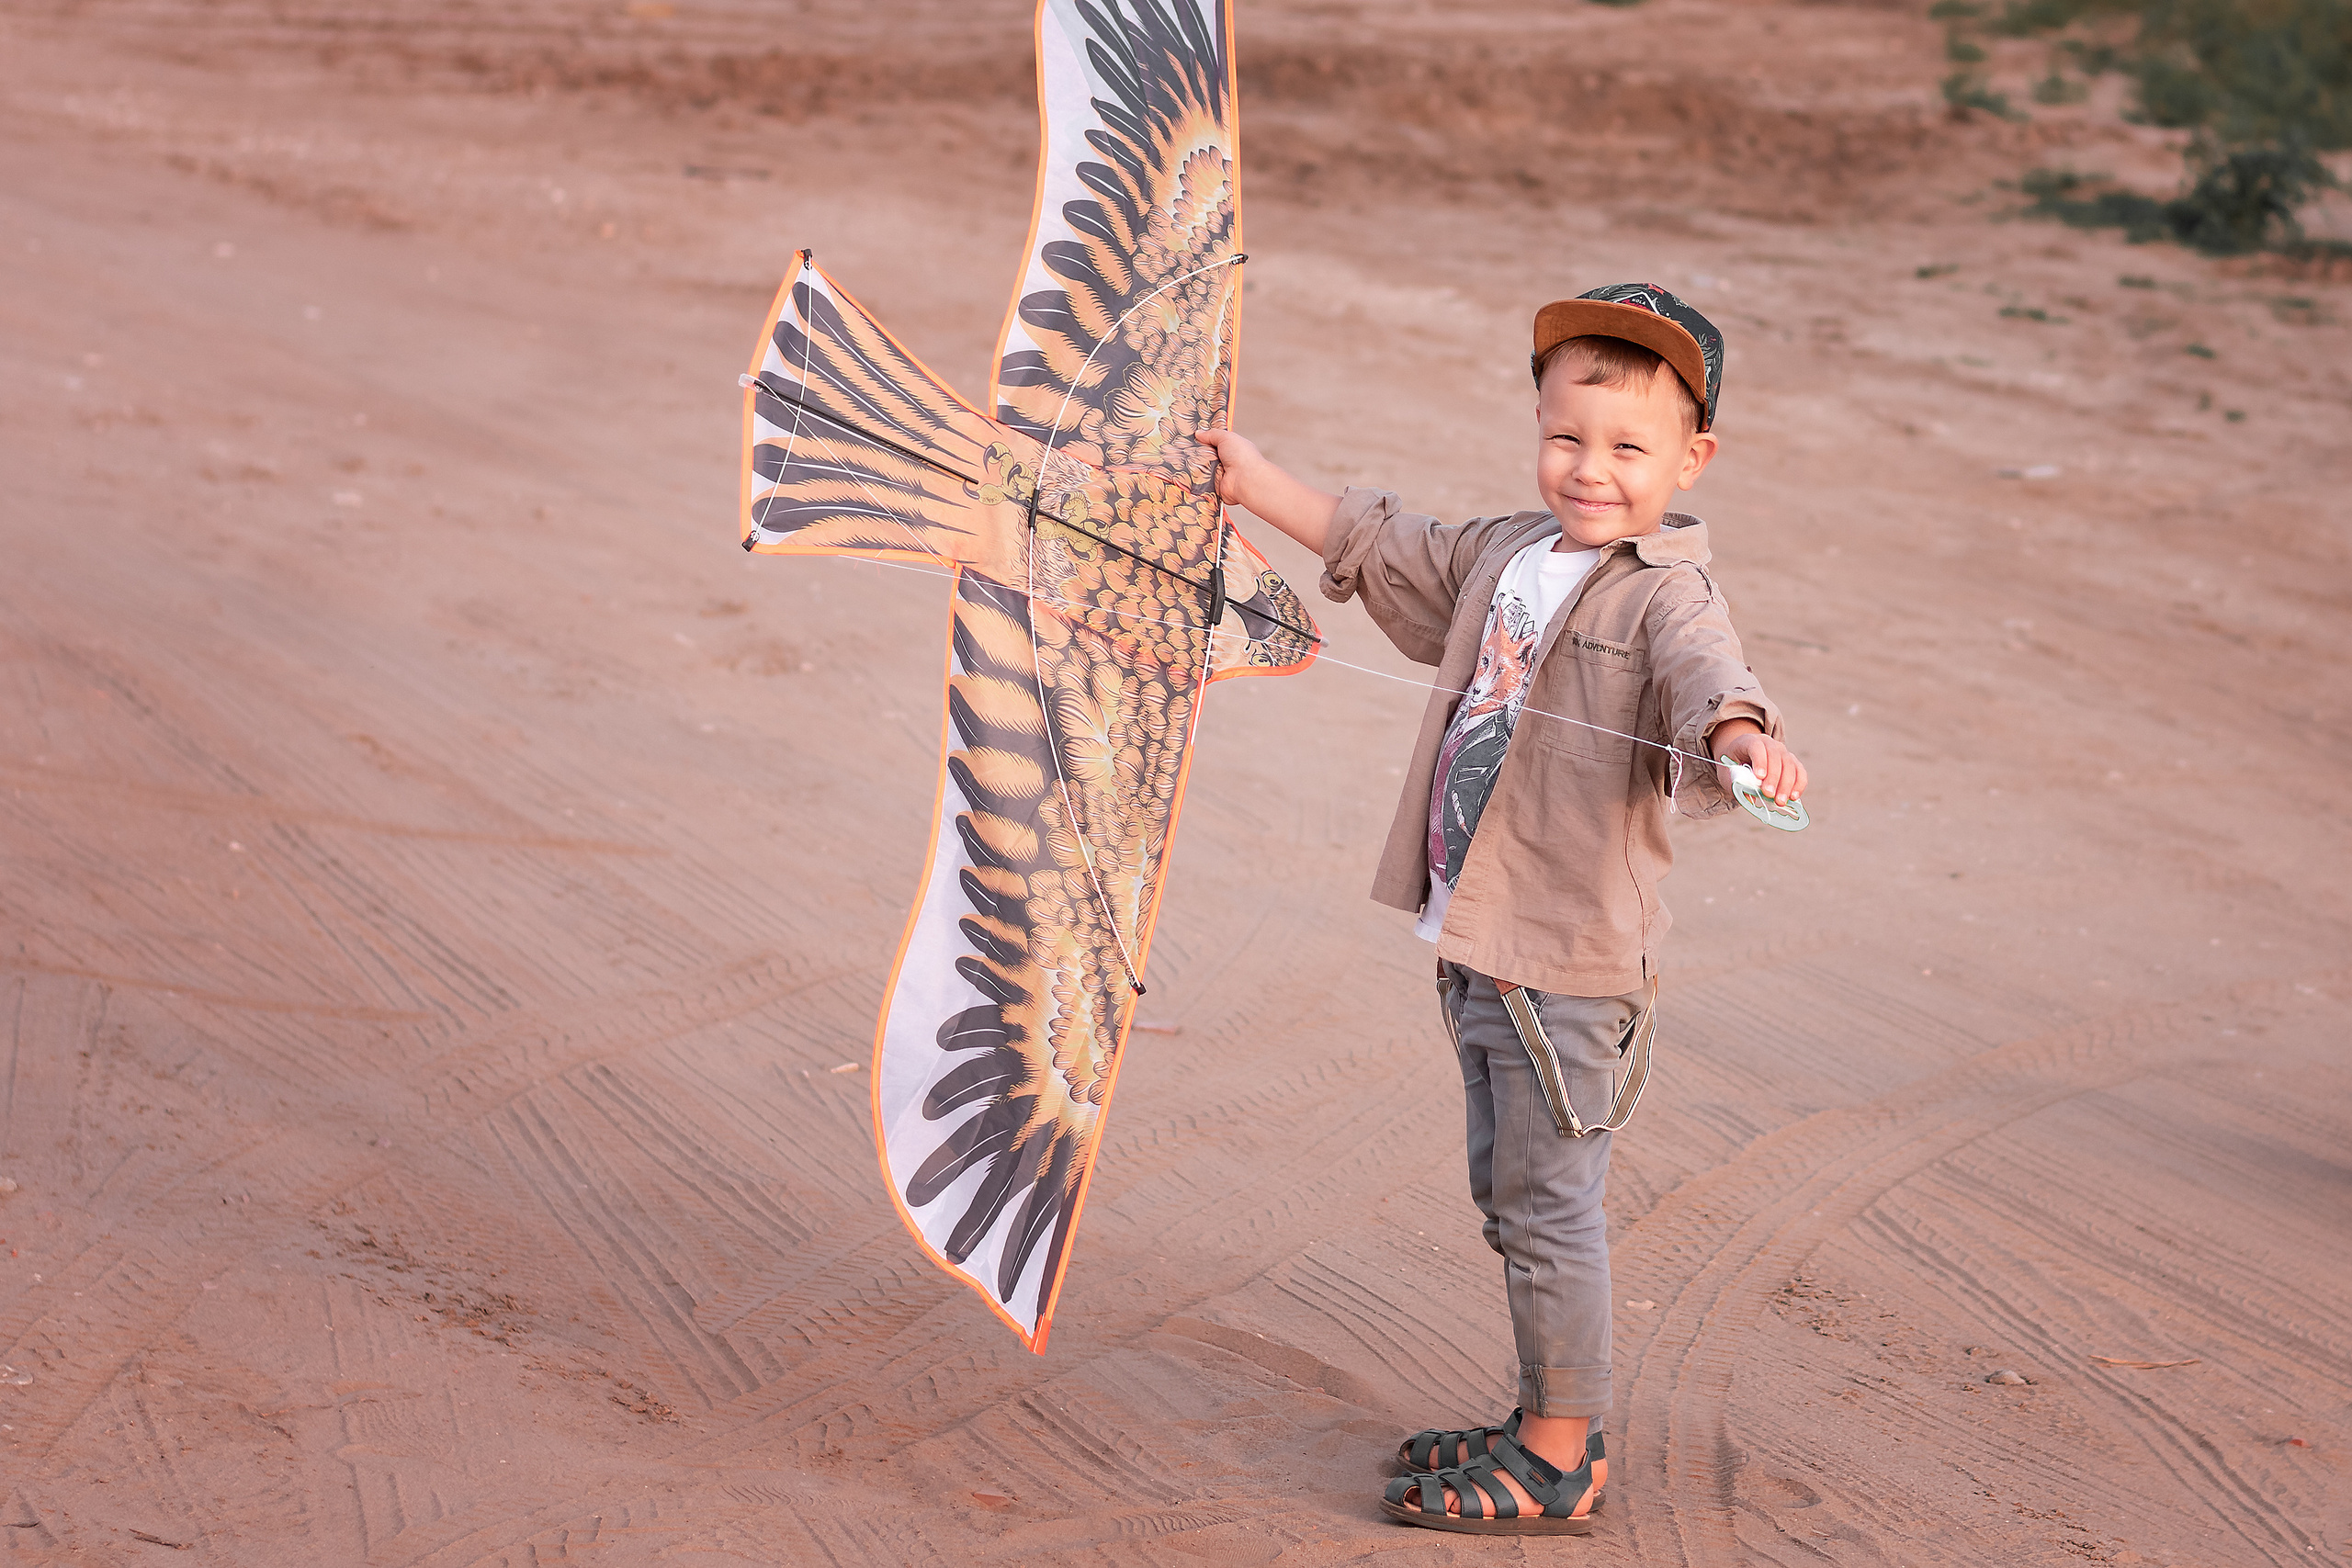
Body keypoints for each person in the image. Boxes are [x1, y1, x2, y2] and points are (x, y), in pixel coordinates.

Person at [1199, 283, 1807, 1537]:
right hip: (1481, 941)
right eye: (1568, 436)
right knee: (1509, 1193)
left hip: (1568, 965)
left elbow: (1712, 685)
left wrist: (1745, 740)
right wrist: (1254, 480)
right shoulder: (1507, 553)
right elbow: (1382, 542)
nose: (1591, 470)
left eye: (1629, 448)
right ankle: (1543, 1414)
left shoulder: (1666, 598)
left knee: (1547, 1207)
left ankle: (1560, 1458)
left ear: (1693, 458)